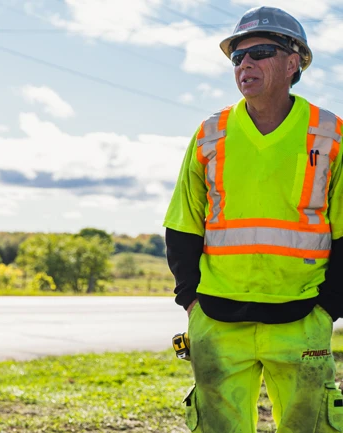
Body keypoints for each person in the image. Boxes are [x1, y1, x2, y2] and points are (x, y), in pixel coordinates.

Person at [164, 6, 343, 432]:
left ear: (293, 61)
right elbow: (183, 223)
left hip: (302, 322)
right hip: (218, 322)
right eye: (236, 57)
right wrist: (192, 302)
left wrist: (329, 309)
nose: (245, 64)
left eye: (259, 52)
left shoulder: (330, 135)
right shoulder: (211, 133)